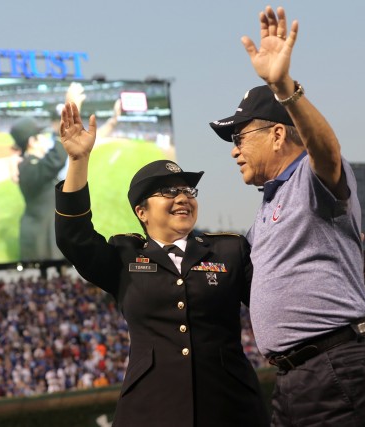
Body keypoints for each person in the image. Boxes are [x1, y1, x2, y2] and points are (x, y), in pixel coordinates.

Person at [209, 6, 365, 426]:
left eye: (239, 136)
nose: (234, 150)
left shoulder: (312, 177)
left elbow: (327, 153)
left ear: (277, 134)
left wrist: (284, 89)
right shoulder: (268, 204)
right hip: (300, 373)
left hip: (335, 362)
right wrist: (343, 268)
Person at [54, 101, 269, 427]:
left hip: (230, 407)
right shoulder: (124, 257)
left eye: (188, 190)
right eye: (169, 191)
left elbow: (277, 291)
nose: (183, 197)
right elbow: (73, 235)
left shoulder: (229, 251)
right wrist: (77, 159)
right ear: (142, 212)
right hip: (150, 410)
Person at [10, 116, 68, 262]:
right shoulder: (28, 167)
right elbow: (57, 158)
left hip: (45, 234)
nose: (45, 139)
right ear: (32, 141)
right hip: (42, 241)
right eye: (41, 135)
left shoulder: (31, 164)